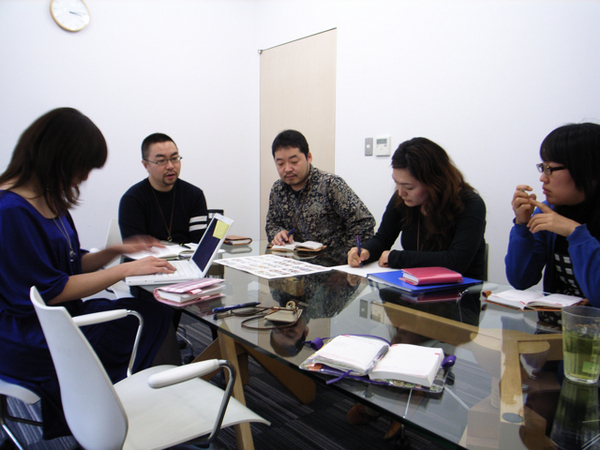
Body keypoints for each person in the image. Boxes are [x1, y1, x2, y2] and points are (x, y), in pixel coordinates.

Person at [0, 108, 181, 439]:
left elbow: (69, 265)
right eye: (81, 167)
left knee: (153, 313)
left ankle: (154, 415)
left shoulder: (47, 200)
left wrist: (115, 251)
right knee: (146, 319)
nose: (82, 178)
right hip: (32, 335)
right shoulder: (10, 212)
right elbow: (51, 289)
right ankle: (140, 421)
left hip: (61, 318)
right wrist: (126, 269)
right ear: (56, 158)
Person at [347, 137, 487, 281]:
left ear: (434, 182)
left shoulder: (470, 204)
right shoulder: (403, 199)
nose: (401, 192)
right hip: (413, 285)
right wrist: (366, 251)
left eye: (409, 187)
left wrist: (396, 257)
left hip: (460, 289)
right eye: (397, 183)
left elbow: (456, 262)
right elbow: (383, 238)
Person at [506, 123, 600, 307]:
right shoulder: (549, 211)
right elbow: (520, 280)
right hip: (557, 322)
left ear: (586, 169)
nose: (543, 178)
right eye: (542, 168)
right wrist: (522, 226)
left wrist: (575, 233)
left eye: (549, 169)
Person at [266, 129, 376, 265]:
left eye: (294, 162)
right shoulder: (277, 189)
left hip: (333, 269)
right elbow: (271, 224)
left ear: (309, 157)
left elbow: (364, 222)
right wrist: (278, 233)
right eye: (280, 164)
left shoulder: (330, 184)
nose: (287, 169)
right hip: (293, 267)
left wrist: (349, 255)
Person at [119, 132, 208, 244]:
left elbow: (199, 244)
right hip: (149, 256)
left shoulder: (194, 195)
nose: (170, 166)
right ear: (146, 165)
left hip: (187, 255)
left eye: (174, 158)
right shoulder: (132, 199)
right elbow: (136, 248)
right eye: (161, 161)